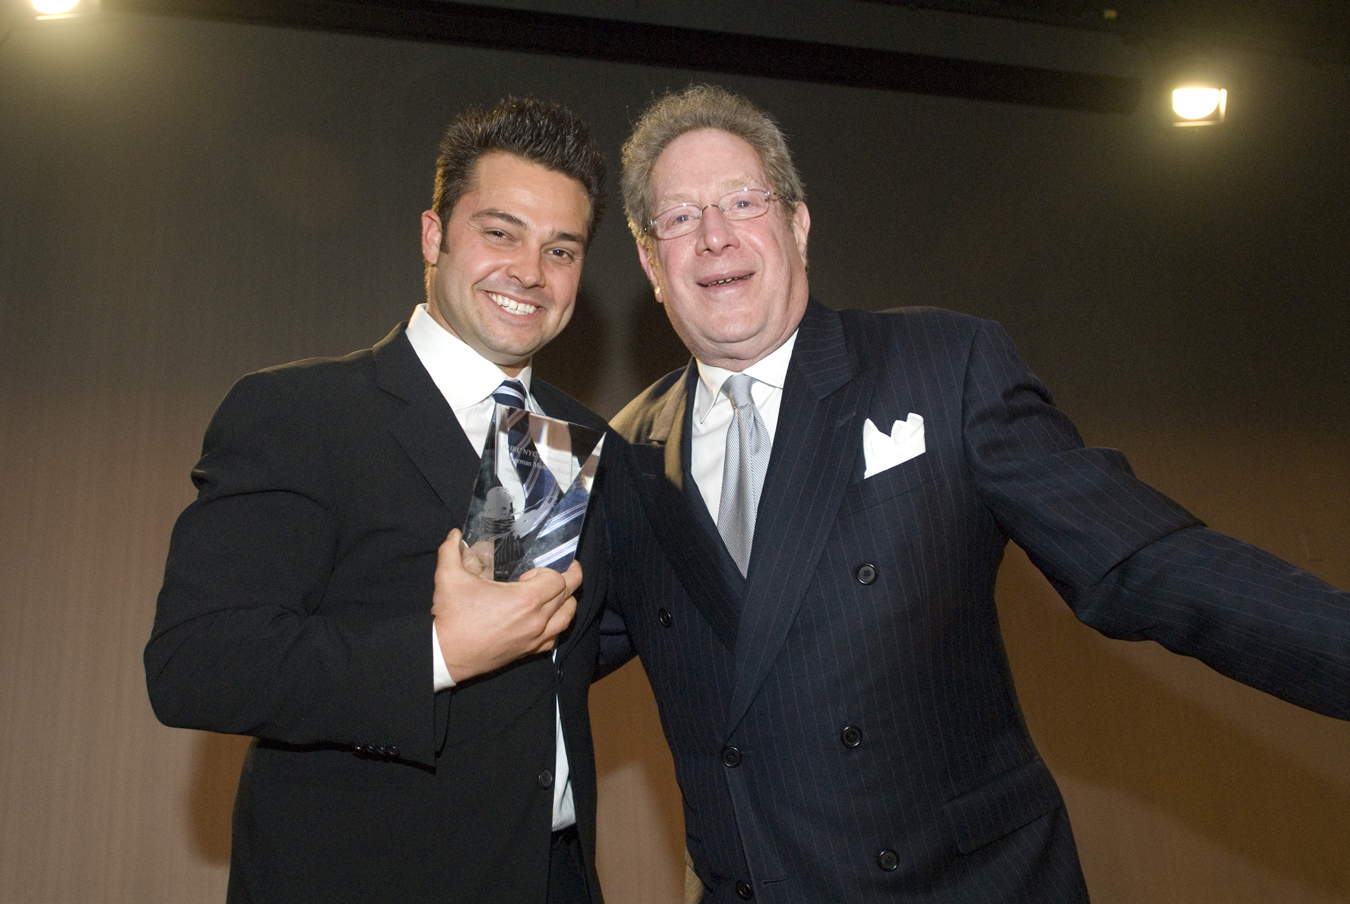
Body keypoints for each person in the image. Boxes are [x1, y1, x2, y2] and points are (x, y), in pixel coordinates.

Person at [598, 84, 1350, 903]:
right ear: (649, 260)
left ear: (798, 225)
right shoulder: (622, 453)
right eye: (678, 217)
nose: (714, 237)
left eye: (743, 201)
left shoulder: (941, 363)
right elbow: (536, 664)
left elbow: (1143, 562)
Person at [146, 97, 610, 904]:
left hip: (552, 880)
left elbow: (586, 637)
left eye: (561, 249)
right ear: (433, 235)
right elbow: (197, 665)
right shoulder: (300, 412)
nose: (531, 272)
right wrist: (439, 654)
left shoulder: (574, 436)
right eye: (500, 233)